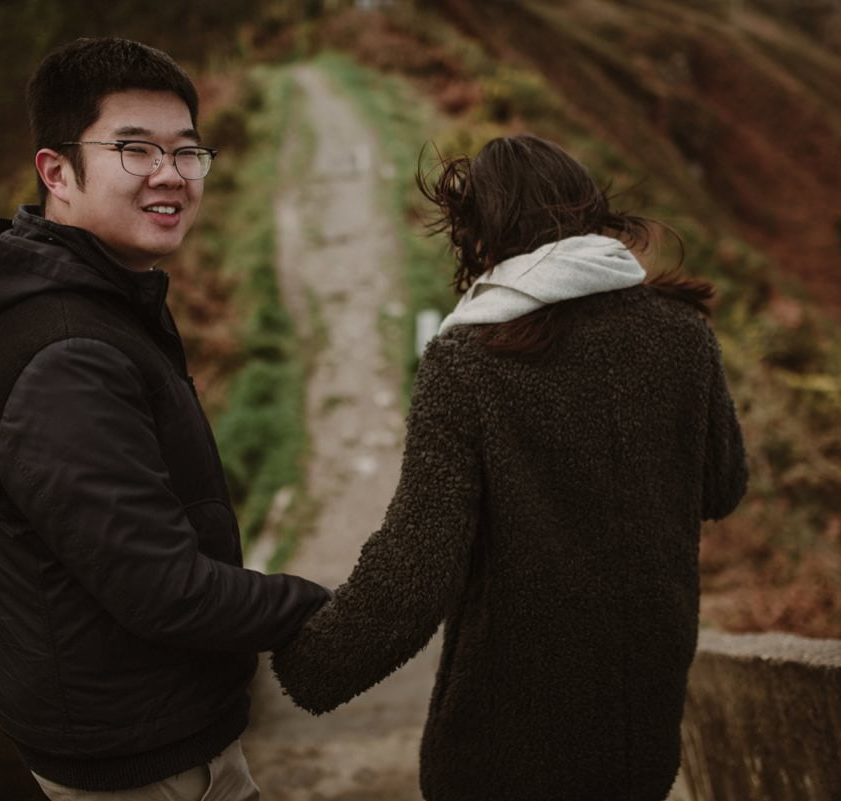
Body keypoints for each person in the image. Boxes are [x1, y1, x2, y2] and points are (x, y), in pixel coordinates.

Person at [0, 37, 330, 800]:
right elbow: (162, 587)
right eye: (134, 149)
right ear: (56, 171)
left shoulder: (83, 304)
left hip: (140, 728)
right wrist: (315, 606)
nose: (170, 175)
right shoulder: (66, 350)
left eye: (186, 152)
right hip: (147, 764)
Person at [271, 134, 748, 800]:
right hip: (641, 731)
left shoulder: (469, 360)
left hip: (504, 749)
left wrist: (304, 662)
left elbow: (417, 565)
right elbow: (723, 486)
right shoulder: (684, 335)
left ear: (483, 238)